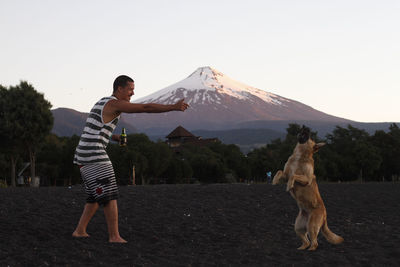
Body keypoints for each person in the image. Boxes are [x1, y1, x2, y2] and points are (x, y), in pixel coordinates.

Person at [72, 75, 189, 243]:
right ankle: (114, 236)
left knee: (95, 196)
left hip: (83, 154)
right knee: (110, 195)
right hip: (94, 154)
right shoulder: (114, 104)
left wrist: (114, 137)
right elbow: (146, 107)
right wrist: (173, 107)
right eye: (130, 90)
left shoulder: (102, 102)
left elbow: (95, 129)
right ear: (119, 89)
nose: (132, 94)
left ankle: (80, 231)